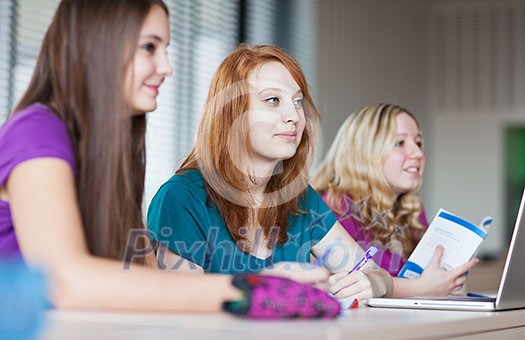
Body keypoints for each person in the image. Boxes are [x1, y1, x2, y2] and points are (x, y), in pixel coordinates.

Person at [0, 0, 339, 318]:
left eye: (166, 49)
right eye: (149, 47)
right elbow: (63, 279)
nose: (167, 67)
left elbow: (145, 273)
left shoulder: (114, 153)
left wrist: (268, 281)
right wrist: (249, 289)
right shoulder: (37, 130)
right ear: (98, 45)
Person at [148, 45, 439, 306]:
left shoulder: (300, 197)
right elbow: (180, 305)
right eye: (273, 100)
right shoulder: (181, 197)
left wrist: (373, 283)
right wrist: (264, 286)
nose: (294, 116)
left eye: (298, 101)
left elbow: (367, 270)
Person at [312, 103, 478, 295]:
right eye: (400, 143)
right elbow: (347, 286)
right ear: (365, 151)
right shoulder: (336, 207)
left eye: (418, 143)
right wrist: (425, 288)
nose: (418, 153)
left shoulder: (411, 209)